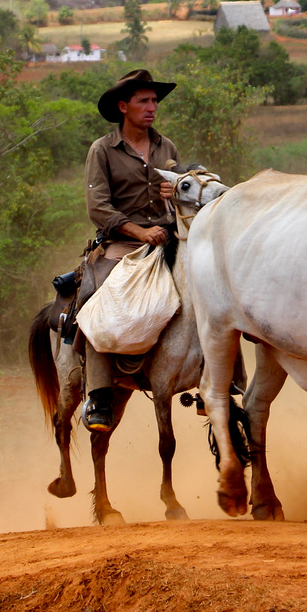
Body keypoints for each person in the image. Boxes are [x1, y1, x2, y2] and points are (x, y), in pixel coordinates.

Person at [79, 68, 182, 432]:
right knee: (94, 298)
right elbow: (99, 207)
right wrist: (140, 231)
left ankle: (227, 381)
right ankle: (99, 396)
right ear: (124, 107)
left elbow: (181, 188)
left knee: (216, 287)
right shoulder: (103, 150)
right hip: (122, 244)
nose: (152, 107)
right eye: (144, 101)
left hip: (168, 239)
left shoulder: (166, 146)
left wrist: (176, 192)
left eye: (154, 100)